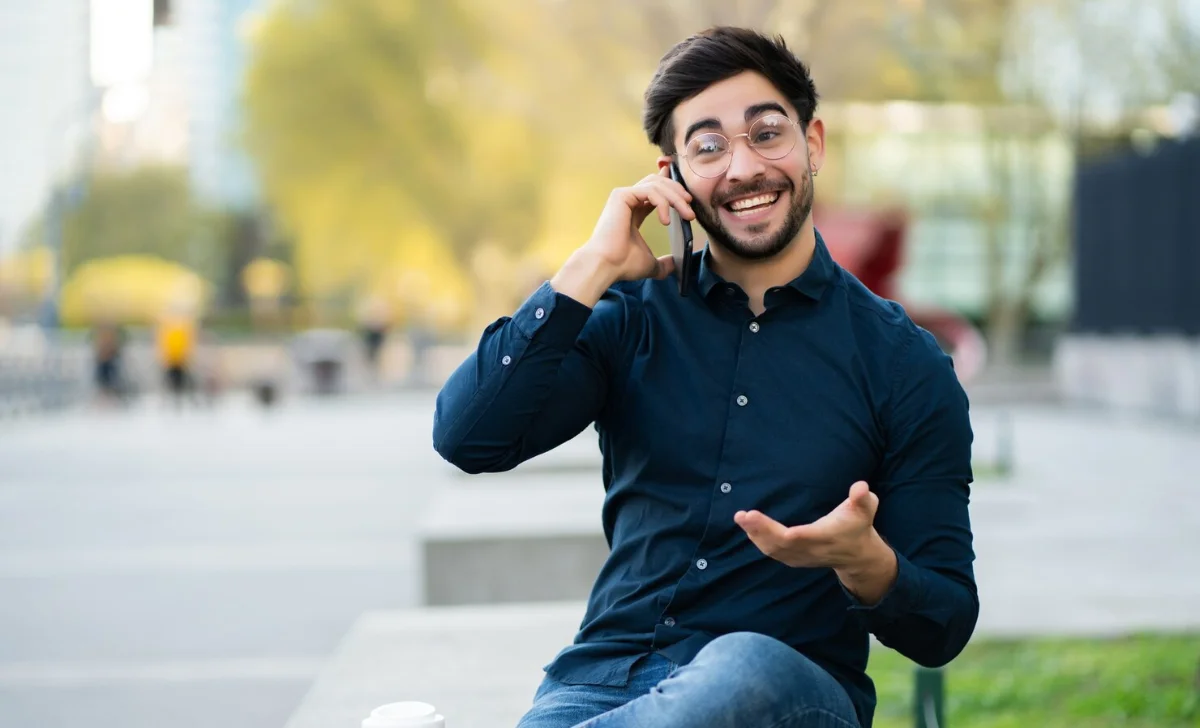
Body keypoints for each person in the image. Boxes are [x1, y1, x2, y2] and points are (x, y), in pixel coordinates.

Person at [432, 26, 977, 728]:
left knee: (742, 662)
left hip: (789, 691)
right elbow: (468, 437)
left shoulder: (903, 364)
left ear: (813, 144)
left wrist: (866, 561)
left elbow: (944, 624)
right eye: (709, 146)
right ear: (673, 177)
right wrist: (589, 268)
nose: (744, 167)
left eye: (766, 133)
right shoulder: (628, 317)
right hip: (600, 690)